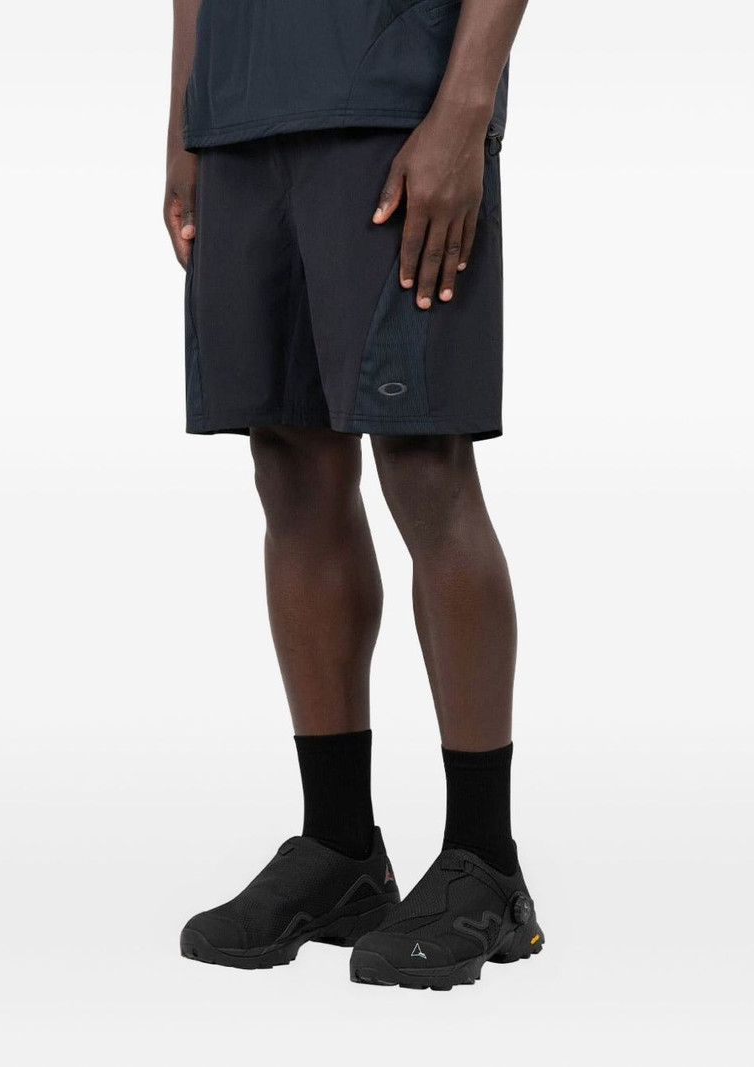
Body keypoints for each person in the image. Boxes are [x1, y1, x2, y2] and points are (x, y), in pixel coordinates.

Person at [165, 0, 542, 991]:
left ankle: (486, 862)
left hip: (391, 100)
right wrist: (184, 124)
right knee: (288, 460)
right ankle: (339, 846)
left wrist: (464, 108)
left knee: (422, 460)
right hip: (238, 114)